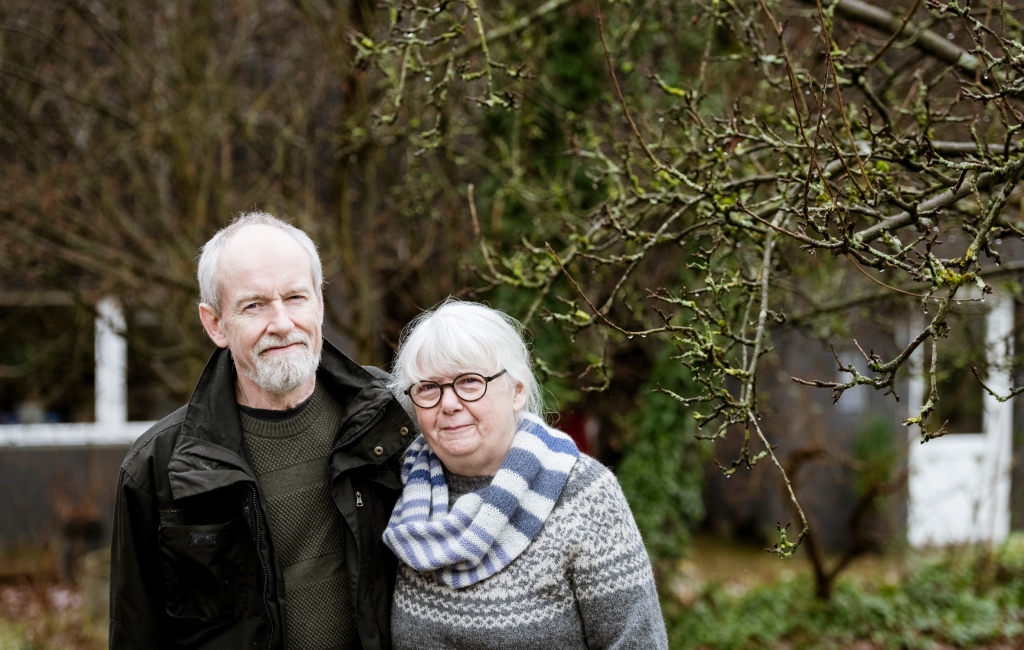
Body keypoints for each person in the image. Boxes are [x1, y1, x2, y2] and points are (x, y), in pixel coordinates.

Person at [109, 211, 414, 649]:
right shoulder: (159, 469)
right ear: (215, 324)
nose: (282, 323)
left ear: (320, 304)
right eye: (254, 305)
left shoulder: (389, 419)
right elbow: (135, 635)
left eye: (295, 297)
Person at [382, 299, 669, 649]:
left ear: (517, 391)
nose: (449, 403)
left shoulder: (584, 495)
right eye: (428, 387)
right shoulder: (397, 488)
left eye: (470, 381)